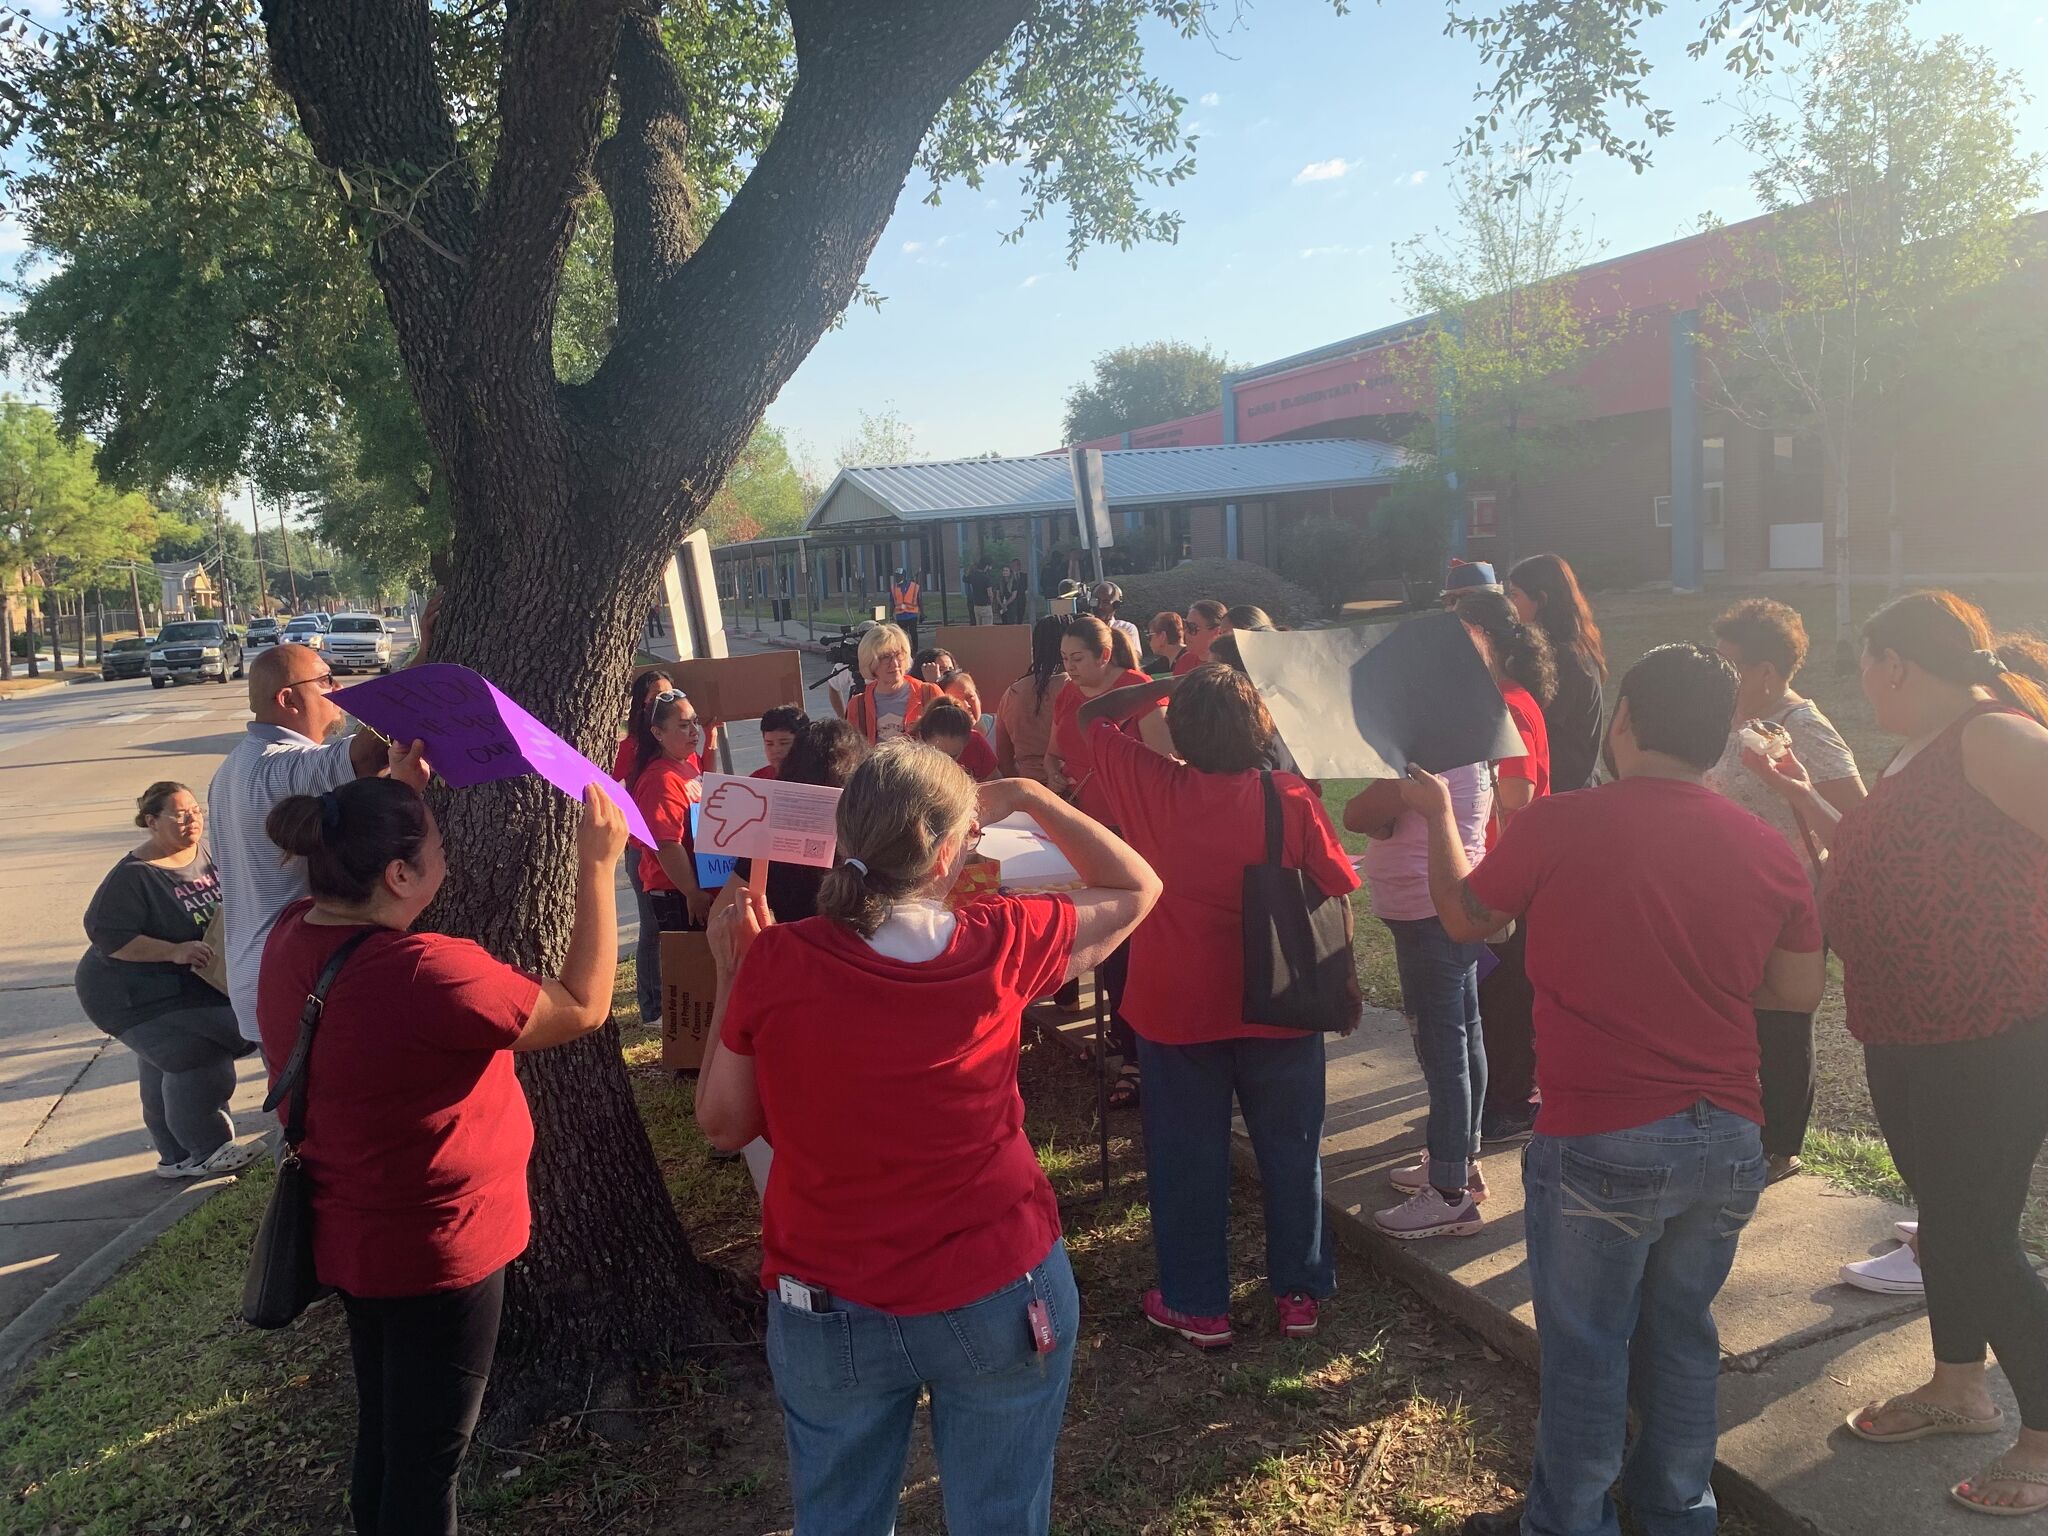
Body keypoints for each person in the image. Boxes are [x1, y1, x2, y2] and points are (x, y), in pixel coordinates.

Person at [1403, 643, 1825, 1536]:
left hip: (1604, 1132)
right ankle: (1676, 1512)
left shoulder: (1561, 825)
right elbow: (1797, 992)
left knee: (1588, 1347)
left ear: (1624, 718)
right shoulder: (1766, 847)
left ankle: (1571, 1521)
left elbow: (1464, 918)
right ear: (1719, 739)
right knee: (1682, 1335)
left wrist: (1439, 811)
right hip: (1729, 1137)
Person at [693, 743, 1159, 1535]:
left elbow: (724, 1124)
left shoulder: (778, 960)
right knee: (1001, 1515)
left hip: (828, 1301)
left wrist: (732, 976)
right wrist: (1031, 796)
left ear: (846, 839)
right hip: (997, 1285)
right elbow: (1137, 885)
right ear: (949, 852)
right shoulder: (1000, 942)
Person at [258, 777, 629, 1536]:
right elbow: (583, 1006)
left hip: (352, 1234)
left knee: (388, 1432)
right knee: (429, 1460)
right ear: (398, 875)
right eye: (435, 846)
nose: (447, 858)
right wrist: (596, 864)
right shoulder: (428, 971)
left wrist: (396, 794)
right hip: (439, 1249)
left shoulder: (293, 932)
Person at [1745, 593, 2048, 1518]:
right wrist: (1799, 789)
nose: (1865, 684)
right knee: (1946, 1223)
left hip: (1990, 1031)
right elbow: (1878, 849)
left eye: (1867, 666)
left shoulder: (1994, 735)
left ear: (1896, 664)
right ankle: (1958, 1387)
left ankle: (2043, 1439)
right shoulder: (1921, 748)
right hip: (1911, 1027)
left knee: (1977, 1235)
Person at [1078, 665, 1362, 1346]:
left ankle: (1197, 1302)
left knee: (1184, 1157)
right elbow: (1338, 883)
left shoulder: (1151, 784)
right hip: (1280, 999)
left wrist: (1168, 679)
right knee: (1292, 1149)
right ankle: (1299, 1292)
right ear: (1259, 727)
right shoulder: (1289, 797)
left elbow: (1096, 718)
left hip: (1175, 1006)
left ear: (1178, 730)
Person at [1702, 598, 1865, 1183]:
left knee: (1780, 1025)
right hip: (1724, 896)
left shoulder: (1804, 728)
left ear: (1765, 672)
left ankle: (1779, 1148)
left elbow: (1859, 824)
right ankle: (1733, 1130)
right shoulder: (1728, 716)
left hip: (1788, 902)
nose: (1719, 671)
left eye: (1729, 662)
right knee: (1728, 1019)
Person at [207, 639, 432, 1049]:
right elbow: (368, 755)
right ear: (288, 699)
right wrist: (421, 664)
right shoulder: (278, 765)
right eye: (326, 681)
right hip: (297, 977)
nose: (339, 690)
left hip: (262, 977)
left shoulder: (232, 768)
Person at [75, 782, 263, 1178]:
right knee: (197, 1054)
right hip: (132, 993)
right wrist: (173, 951)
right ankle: (208, 1149)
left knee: (165, 1063)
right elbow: (110, 937)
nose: (191, 820)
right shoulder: (133, 876)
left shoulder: (204, 853)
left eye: (194, 811)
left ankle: (175, 1155)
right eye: (179, 815)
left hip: (190, 983)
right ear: (150, 821)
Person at [1343, 759, 1494, 1238]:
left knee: (1444, 1050)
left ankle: (1450, 1193)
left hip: (1427, 913)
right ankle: (1460, 1165)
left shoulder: (1434, 752)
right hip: (1446, 905)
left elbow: (1358, 815)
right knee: (1464, 1037)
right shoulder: (1468, 742)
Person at [1455, 590, 1557, 1142]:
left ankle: (1512, 1101)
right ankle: (1503, 1094)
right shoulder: (1498, 697)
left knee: (1506, 995)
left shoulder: (1507, 704)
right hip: (1504, 864)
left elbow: (1516, 793)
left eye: (1458, 632)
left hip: (1514, 867)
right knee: (1499, 992)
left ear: (1483, 637)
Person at [1508, 554, 1608, 793]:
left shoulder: (1565, 657)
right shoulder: (1571, 649)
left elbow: (1538, 729)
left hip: (1568, 794)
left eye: (1514, 595)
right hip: (1567, 791)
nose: (1509, 605)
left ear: (1541, 600)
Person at [615, 669, 677, 1024]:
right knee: (652, 928)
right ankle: (652, 1008)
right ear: (641, 705)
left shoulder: (677, 742)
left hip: (678, 846)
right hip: (642, 849)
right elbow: (610, 789)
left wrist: (710, 737)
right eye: (656, 697)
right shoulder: (629, 749)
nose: (663, 703)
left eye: (670, 695)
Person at [629, 689, 713, 936]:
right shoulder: (660, 779)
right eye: (684, 725)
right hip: (677, 894)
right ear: (658, 733)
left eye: (695, 722)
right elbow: (666, 845)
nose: (694, 731)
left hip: (697, 885)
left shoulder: (686, 765)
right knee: (690, 970)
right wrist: (692, 892)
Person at [994, 615, 1070, 783]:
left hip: (1029, 788)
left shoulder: (1013, 692)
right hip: (1071, 786)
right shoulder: (1074, 688)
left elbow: (1004, 760)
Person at [845, 623, 943, 744]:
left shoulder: (929, 694)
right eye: (886, 657)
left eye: (899, 654)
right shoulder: (857, 705)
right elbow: (854, 753)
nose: (895, 664)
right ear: (870, 661)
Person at [915, 698, 999, 781]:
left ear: (966, 742)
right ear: (920, 737)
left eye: (953, 756)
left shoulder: (975, 743)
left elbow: (996, 784)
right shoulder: (906, 751)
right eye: (937, 754)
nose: (945, 764)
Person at [752, 704, 808, 781]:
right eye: (769, 744)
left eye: (784, 743)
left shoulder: (821, 778)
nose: (776, 750)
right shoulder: (757, 779)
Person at [1090, 580, 1143, 659]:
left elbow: (1135, 656)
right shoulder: (1086, 628)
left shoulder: (1127, 628)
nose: (1100, 606)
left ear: (1116, 605)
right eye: (1096, 601)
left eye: (1105, 602)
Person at [937, 667, 993, 740]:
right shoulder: (946, 743)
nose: (966, 705)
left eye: (970, 697)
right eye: (956, 702)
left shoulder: (1001, 725)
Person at [889, 568, 922, 653]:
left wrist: (922, 613)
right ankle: (906, 650)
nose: (897, 578)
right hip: (900, 616)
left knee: (913, 633)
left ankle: (914, 651)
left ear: (903, 576)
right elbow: (892, 602)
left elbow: (919, 600)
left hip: (912, 614)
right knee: (903, 635)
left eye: (899, 576)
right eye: (896, 576)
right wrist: (890, 614)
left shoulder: (913, 586)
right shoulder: (894, 588)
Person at [1146, 611, 1186, 677]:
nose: (1149, 641)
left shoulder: (1189, 660)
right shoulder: (1165, 660)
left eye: (1150, 636)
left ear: (1162, 636)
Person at [965, 558, 997, 626]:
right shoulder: (986, 578)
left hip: (976, 606)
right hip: (985, 606)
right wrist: (991, 602)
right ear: (986, 566)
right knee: (987, 629)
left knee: (978, 628)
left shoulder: (973, 575)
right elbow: (990, 593)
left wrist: (969, 568)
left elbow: (965, 578)